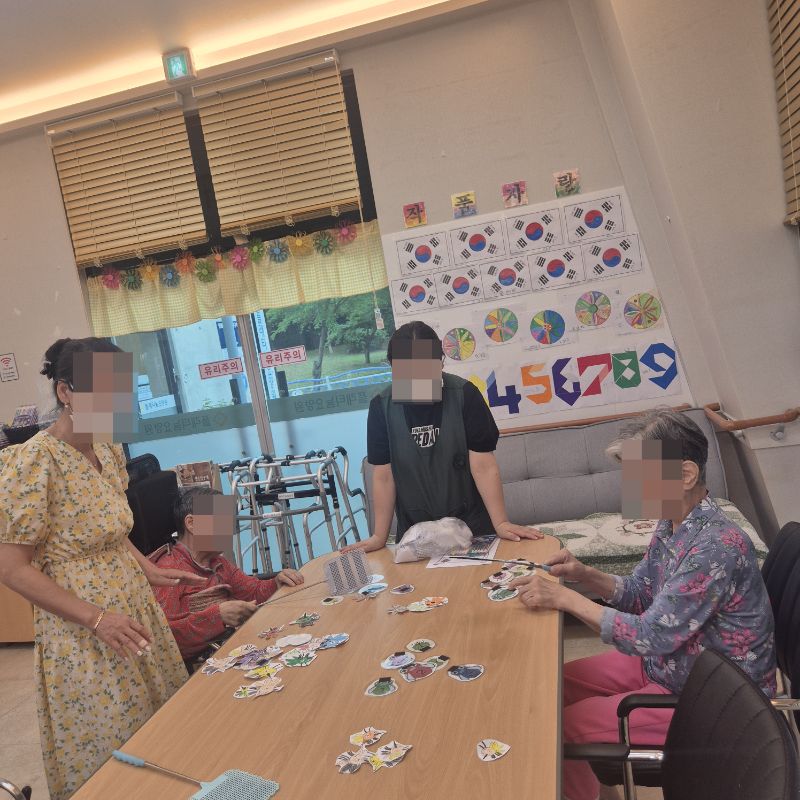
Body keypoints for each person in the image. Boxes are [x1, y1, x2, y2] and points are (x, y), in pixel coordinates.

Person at [509, 408, 776, 800]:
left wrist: (566, 599)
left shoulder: (715, 545)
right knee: (552, 685)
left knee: (558, 727)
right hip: (670, 664)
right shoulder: (673, 522)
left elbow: (650, 635)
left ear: (685, 475)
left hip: (711, 699)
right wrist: (586, 575)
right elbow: (641, 592)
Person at [0, 337, 205, 800]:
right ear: (66, 392)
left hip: (132, 609)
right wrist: (96, 619)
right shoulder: (32, 462)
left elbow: (109, 528)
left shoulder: (108, 449)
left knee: (160, 727)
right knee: (113, 743)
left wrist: (147, 569)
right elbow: (11, 569)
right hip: (83, 629)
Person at [342, 321, 541, 554]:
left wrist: (501, 523)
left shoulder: (465, 395)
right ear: (392, 366)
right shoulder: (381, 407)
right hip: (414, 535)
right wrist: (379, 536)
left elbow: (483, 465)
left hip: (473, 529)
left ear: (440, 362)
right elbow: (384, 476)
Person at [151, 486, 304, 660]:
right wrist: (217, 617)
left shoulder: (218, 562)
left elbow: (253, 592)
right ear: (191, 523)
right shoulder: (167, 572)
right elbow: (164, 637)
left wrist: (276, 582)